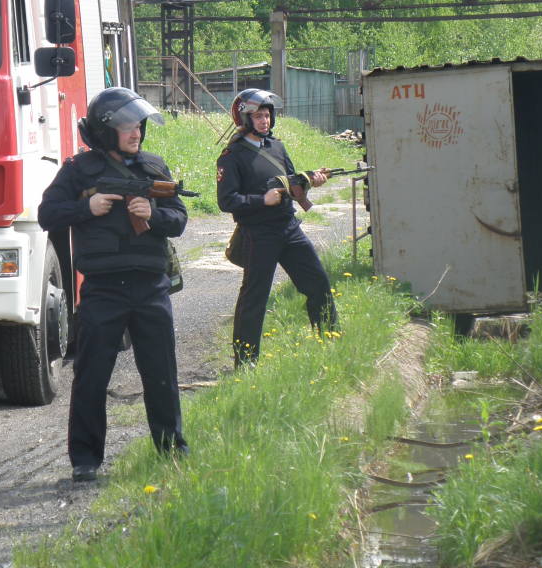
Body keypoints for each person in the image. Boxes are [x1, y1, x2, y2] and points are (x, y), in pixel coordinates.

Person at [38, 88, 189, 482]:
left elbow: (179, 217)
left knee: (161, 372)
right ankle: (85, 460)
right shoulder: (78, 171)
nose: (135, 132)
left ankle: (172, 449)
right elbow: (47, 213)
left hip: (151, 285)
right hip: (104, 289)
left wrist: (153, 214)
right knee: (91, 375)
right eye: (125, 125)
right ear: (106, 131)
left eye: (138, 124)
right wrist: (85, 208)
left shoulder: (155, 167)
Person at [216, 88, 337, 368]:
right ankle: (245, 364)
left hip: (289, 227)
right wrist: (262, 200)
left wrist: (311, 181)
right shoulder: (231, 156)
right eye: (258, 116)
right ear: (245, 118)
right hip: (258, 234)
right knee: (254, 298)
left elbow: (292, 185)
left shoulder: (277, 147)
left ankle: (330, 341)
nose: (265, 121)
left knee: (318, 283)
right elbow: (226, 200)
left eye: (267, 115)